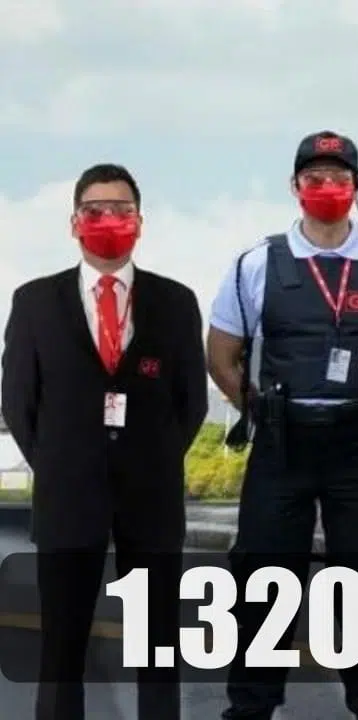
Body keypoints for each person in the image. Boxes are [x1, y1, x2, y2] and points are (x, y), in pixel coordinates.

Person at [205, 131, 358, 720]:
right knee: (262, 580)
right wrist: (259, 410)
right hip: (282, 444)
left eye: (339, 178)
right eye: (315, 178)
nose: (327, 187)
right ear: (295, 186)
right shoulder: (256, 263)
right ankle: (253, 707)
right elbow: (221, 355)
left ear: (357, 187)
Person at [1, 163, 207, 720]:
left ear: (139, 222)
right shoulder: (35, 302)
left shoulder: (175, 301)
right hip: (68, 499)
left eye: (121, 210)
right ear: (75, 223)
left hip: (151, 500)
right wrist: (62, 463)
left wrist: (151, 460)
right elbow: (18, 402)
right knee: (61, 652)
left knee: (156, 650)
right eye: (95, 211)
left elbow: (192, 403)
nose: (108, 220)